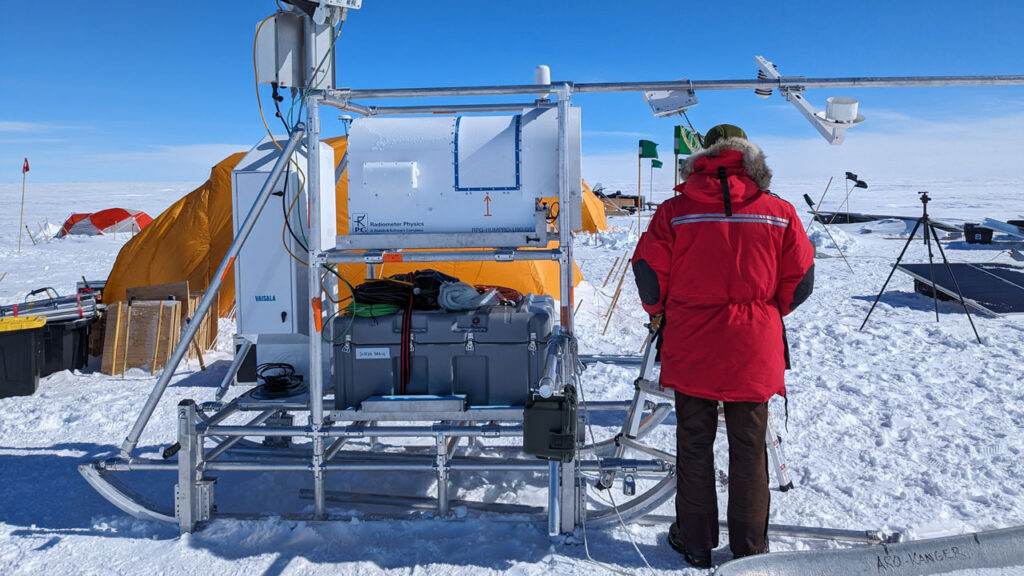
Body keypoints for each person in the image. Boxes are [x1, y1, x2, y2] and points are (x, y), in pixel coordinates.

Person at [631, 124, 814, 568]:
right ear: (753, 165)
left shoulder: (675, 212)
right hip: (754, 345)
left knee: (694, 443)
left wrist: (661, 311)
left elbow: (647, 271)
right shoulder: (779, 212)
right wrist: (766, 315)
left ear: (703, 162)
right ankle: (750, 549)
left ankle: (694, 543)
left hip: (692, 342)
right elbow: (802, 278)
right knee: (749, 447)